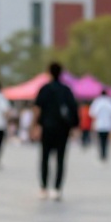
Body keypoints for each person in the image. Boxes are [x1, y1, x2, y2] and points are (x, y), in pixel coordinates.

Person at [33, 62, 76, 200]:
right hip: (63, 129)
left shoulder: (44, 89)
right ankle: (57, 189)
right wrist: (74, 128)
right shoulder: (66, 90)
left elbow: (37, 109)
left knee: (45, 158)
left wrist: (34, 126)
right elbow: (73, 110)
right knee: (60, 159)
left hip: (47, 128)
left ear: (48, 72)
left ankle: (44, 187)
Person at [89, 87, 111, 163]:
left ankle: (101, 154)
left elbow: (92, 113)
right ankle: (105, 154)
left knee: (100, 140)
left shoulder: (97, 101)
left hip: (99, 124)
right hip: (108, 124)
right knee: (106, 140)